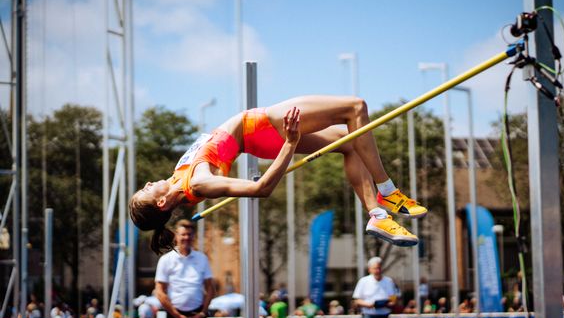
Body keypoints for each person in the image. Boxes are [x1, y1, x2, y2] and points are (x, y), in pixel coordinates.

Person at [129, 96, 428, 253]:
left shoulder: (180, 182)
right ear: (160, 204)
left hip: (257, 139)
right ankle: (388, 191)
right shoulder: (198, 182)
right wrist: (291, 142)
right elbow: (260, 188)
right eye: (145, 190)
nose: (146, 184)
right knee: (356, 107)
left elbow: (214, 161)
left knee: (352, 144)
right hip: (262, 126)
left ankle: (377, 215)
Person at [155, 219, 215, 318]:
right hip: (174, 315)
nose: (186, 237)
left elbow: (210, 288)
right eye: (183, 234)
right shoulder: (166, 260)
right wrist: (177, 316)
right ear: (176, 236)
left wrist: (202, 313)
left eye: (189, 234)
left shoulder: (202, 258)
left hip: (198, 314)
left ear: (193, 237)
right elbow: (159, 291)